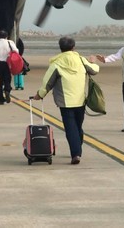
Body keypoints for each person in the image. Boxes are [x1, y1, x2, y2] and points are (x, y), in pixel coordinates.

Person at [33, 36, 99, 164]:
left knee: (71, 128)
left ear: (60, 48)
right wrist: (92, 61)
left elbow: (47, 83)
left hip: (65, 102)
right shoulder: (81, 60)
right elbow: (94, 70)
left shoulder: (56, 64)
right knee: (78, 127)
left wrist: (39, 95)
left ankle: (76, 153)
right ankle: (77, 150)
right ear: (73, 47)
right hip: (80, 101)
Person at [0, 30, 18, 105]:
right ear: (6, 36)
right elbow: (16, 51)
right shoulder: (10, 42)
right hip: (7, 63)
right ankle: (7, 90)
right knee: (7, 79)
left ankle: (1, 99)